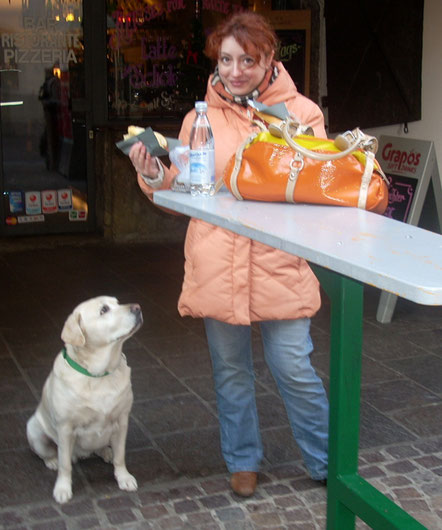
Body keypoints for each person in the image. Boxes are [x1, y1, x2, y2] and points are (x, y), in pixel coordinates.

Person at [128, 11, 329, 497]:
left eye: (247, 60)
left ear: (269, 60)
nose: (235, 71)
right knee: (231, 371)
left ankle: (328, 462)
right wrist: (153, 174)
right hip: (218, 260)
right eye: (226, 60)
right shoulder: (201, 115)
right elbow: (180, 187)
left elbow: (321, 183)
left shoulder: (302, 112)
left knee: (294, 368)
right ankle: (242, 459)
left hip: (278, 260)